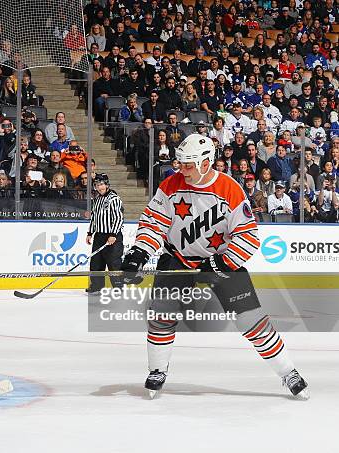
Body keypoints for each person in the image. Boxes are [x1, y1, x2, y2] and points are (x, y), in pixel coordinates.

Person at [120, 134, 308, 400]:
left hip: (220, 262)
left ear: (206, 163)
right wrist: (140, 252)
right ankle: (157, 370)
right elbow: (154, 223)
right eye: (180, 162)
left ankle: (288, 372)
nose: (181, 169)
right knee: (161, 317)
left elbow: (248, 236)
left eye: (188, 164)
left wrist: (220, 262)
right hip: (179, 259)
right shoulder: (171, 185)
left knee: (251, 322)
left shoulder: (229, 189)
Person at [86, 174, 124, 294]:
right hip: (99, 236)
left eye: (101, 184)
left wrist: (113, 234)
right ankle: (97, 286)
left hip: (113, 236)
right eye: (97, 185)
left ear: (107, 185)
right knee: (96, 262)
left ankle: (118, 286)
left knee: (114, 262)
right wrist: (90, 233)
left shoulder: (114, 199)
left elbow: (118, 218)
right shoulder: (97, 199)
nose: (99, 187)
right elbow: (94, 218)